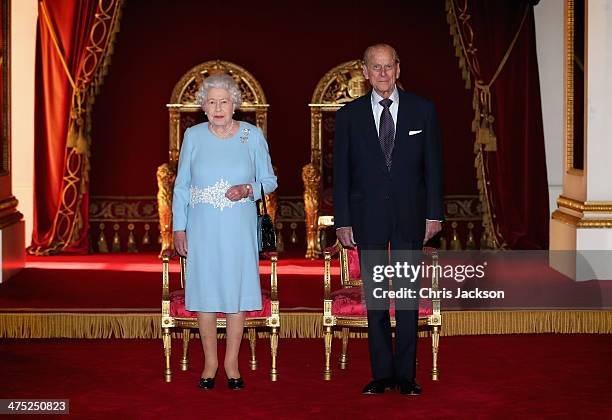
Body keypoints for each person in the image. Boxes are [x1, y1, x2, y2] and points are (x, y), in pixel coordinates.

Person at [333, 44, 443, 396]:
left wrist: (434, 214)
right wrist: (343, 221)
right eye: (375, 67)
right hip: (367, 219)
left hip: (412, 217)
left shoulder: (422, 110)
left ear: (398, 68)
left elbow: (434, 169)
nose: (382, 73)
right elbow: (341, 173)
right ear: (364, 72)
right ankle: (382, 375)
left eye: (388, 66)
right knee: (377, 299)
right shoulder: (349, 116)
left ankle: (406, 377)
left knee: (408, 299)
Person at [172, 74, 277, 390]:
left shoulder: (250, 135)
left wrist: (248, 188)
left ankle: (231, 362)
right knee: (204, 294)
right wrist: (179, 228)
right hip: (201, 227)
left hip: (237, 228)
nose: (218, 108)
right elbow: (181, 186)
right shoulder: (193, 135)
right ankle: (210, 363)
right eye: (212, 102)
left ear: (235, 104)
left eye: (224, 101)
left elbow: (270, 181)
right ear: (203, 106)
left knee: (235, 294)